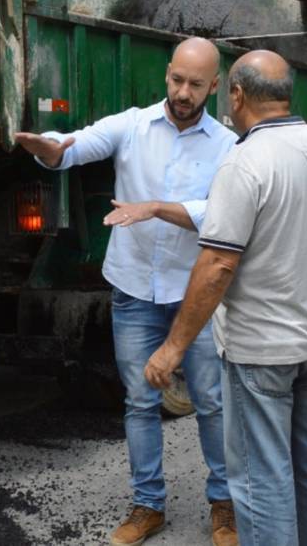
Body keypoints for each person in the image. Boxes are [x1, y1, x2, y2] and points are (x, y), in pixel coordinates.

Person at [14, 37, 240, 546]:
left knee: (211, 401)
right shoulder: (133, 124)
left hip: (195, 294)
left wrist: (157, 207)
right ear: (167, 74)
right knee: (140, 402)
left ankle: (224, 505)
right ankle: (147, 506)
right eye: (177, 80)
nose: (184, 92)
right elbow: (79, 143)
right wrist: (52, 150)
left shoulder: (227, 146)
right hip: (134, 289)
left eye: (196, 85)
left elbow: (218, 212)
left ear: (214, 86)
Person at [143, 50, 307, 546]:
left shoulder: (243, 163)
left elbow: (218, 264)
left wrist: (174, 346)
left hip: (260, 353)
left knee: (262, 480)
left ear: (236, 95)